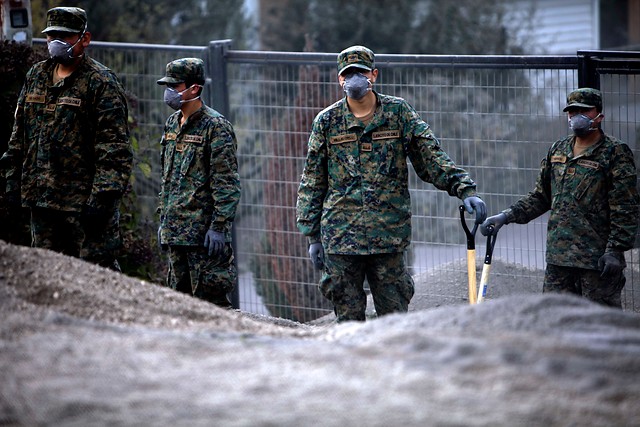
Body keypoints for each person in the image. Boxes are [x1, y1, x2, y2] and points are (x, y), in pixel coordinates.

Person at [296, 45, 487, 322]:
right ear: (340, 80)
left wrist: (464, 189)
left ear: (374, 74)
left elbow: (430, 156)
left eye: (360, 72)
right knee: (348, 323)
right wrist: (312, 236)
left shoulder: (398, 113)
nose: (354, 80)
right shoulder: (327, 122)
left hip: (387, 235)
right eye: (348, 75)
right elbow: (313, 180)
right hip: (341, 238)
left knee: (394, 319)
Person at [481, 88, 639, 308]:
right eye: (572, 111)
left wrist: (615, 250)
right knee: (554, 323)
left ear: (599, 115)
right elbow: (540, 196)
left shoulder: (614, 152)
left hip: (597, 262)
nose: (577, 117)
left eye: (584, 111)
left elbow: (625, 206)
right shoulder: (558, 149)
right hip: (559, 260)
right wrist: (506, 216)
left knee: (600, 328)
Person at [1, 7, 132, 270]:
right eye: (52, 36)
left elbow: (115, 150)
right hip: (42, 202)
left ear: (85, 38)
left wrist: (102, 199)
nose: (56, 42)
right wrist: (12, 179)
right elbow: (19, 135)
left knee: (97, 278)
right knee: (50, 278)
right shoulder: (36, 76)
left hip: (83, 208)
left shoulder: (101, 84)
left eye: (65, 36)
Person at [156, 58, 241, 308]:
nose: (169, 92)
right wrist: (165, 220)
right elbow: (168, 178)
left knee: (211, 306)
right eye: (167, 86)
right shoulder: (172, 124)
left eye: (175, 86)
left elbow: (226, 183)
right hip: (176, 234)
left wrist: (219, 227)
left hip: (202, 238)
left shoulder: (216, 127)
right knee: (179, 306)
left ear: (194, 89)